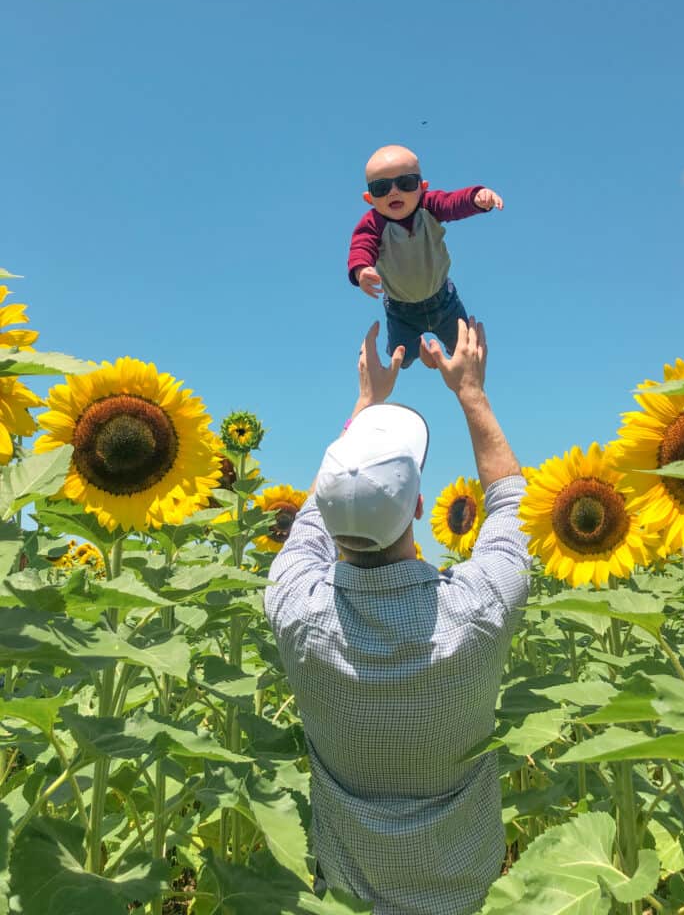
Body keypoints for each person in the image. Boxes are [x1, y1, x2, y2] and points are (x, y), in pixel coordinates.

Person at [264, 318, 530, 915]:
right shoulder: (476, 612)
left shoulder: (295, 608)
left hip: (347, 898)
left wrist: (363, 406)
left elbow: (307, 527)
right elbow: (513, 501)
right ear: (416, 504)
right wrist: (471, 393)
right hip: (472, 895)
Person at [347, 144, 504, 369]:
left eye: (405, 183)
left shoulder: (429, 206)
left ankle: (444, 359)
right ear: (369, 198)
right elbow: (361, 246)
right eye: (381, 188)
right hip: (401, 310)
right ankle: (419, 346)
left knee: (464, 347)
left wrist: (476, 198)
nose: (394, 192)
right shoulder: (373, 224)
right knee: (402, 359)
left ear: (422, 187)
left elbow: (453, 202)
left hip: (443, 301)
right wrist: (362, 269)